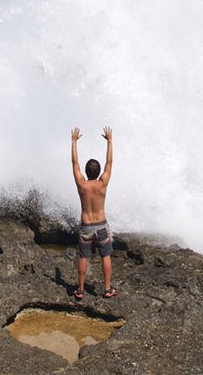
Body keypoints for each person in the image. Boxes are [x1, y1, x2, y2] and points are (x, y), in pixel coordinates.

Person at [70, 125, 115, 300]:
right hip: (101, 224)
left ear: (87, 172)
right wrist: (110, 141)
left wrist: (73, 142)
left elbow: (75, 163)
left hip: (86, 226)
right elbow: (109, 162)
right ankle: (107, 288)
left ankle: (80, 290)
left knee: (84, 257)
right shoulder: (102, 183)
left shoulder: (82, 184)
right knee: (106, 255)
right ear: (98, 172)